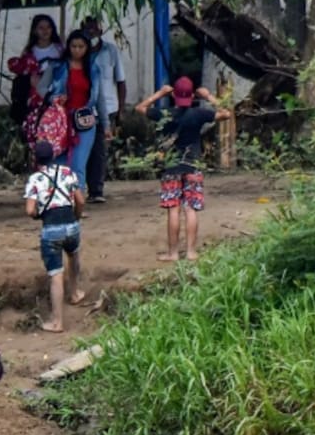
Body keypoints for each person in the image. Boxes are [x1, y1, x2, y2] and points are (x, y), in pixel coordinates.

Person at [135, 77, 232, 262]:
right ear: (192, 95)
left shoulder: (165, 113)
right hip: (192, 166)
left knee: (173, 209)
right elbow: (226, 113)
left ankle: (172, 253)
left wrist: (160, 93)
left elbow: (140, 108)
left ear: (174, 95)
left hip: (171, 168)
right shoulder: (199, 114)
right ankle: (190, 252)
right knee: (190, 209)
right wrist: (208, 96)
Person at [24, 139, 86, 333]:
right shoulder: (67, 172)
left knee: (56, 275)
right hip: (71, 225)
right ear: (53, 155)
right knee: (73, 253)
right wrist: (76, 217)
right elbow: (80, 201)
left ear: (36, 158)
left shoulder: (35, 179)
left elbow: (30, 210)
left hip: (51, 228)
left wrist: (37, 214)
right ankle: (75, 292)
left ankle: (57, 322)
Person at [47, 29, 109, 186]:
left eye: (81, 46)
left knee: (78, 164)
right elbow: (42, 90)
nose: (77, 50)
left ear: (87, 48)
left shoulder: (93, 69)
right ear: (68, 47)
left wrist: (106, 124)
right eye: (73, 46)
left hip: (85, 120)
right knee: (59, 163)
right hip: (61, 120)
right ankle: (61, 201)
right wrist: (54, 99)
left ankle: (77, 203)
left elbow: (99, 99)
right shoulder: (57, 67)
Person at [81, 17, 126, 204]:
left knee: (100, 150)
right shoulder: (79, 53)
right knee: (83, 148)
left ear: (100, 30)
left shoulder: (111, 51)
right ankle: (79, 188)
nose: (91, 32)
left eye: (94, 28)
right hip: (83, 108)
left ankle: (96, 190)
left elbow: (121, 81)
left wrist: (121, 110)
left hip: (107, 107)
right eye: (87, 29)